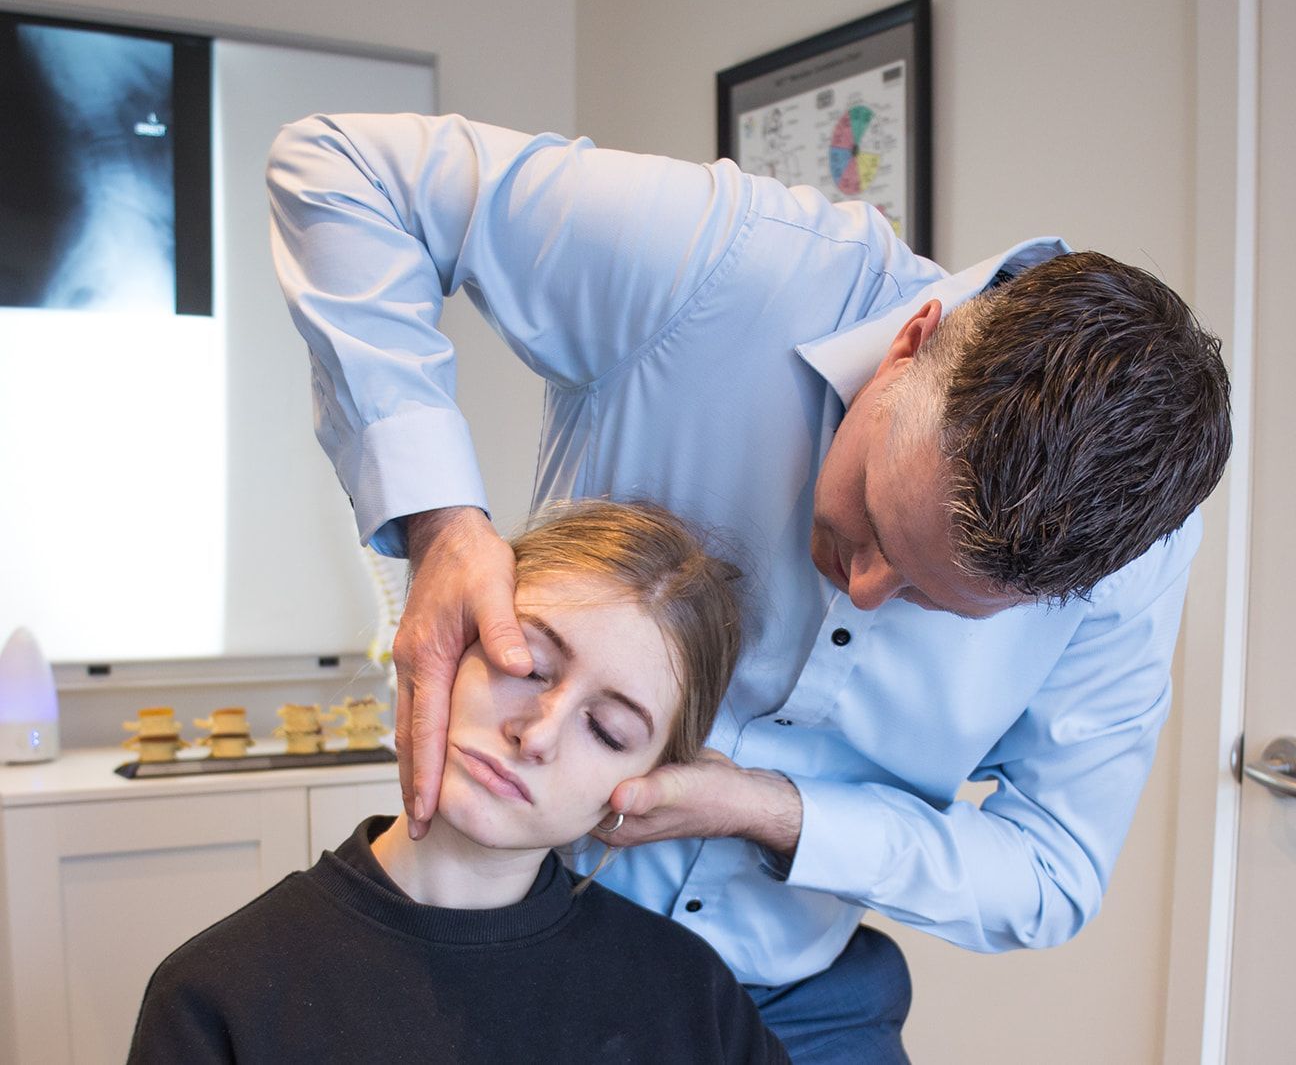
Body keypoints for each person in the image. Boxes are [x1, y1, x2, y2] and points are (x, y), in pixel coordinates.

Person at [267, 112, 1233, 1062]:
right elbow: (345, 169)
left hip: (803, 999)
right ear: (911, 342)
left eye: (929, 603)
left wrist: (779, 812)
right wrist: (440, 522)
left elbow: (1052, 867)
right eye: (877, 519)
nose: (861, 587)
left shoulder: (1131, 555)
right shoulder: (724, 263)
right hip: (527, 934)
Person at [128, 500, 786, 1064]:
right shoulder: (220, 994)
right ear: (444, 642)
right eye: (526, 665)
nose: (539, 732)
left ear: (644, 781)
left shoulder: (690, 994)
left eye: (608, 729)